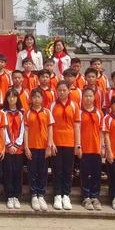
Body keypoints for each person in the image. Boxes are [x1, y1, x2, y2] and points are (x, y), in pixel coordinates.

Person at [50, 81, 81, 211]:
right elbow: (50, 125)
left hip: (69, 141)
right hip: (56, 142)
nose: (62, 92)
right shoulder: (52, 105)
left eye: (64, 90)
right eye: (60, 90)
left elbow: (77, 125)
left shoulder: (74, 106)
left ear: (69, 90)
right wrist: (51, 142)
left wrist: (77, 144)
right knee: (57, 170)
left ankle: (66, 195)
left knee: (68, 170)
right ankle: (57, 194)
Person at [24, 88, 55, 212]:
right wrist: (26, 147)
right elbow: (25, 130)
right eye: (34, 97)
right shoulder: (27, 113)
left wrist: (49, 145)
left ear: (43, 99)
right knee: (32, 171)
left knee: (43, 171)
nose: (36, 99)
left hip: (43, 147)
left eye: (39, 97)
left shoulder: (47, 112)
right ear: (31, 99)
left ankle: (41, 194)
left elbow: (50, 129)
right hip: (32, 147)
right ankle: (33, 195)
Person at [79, 87, 104, 210]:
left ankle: (95, 196)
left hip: (96, 148)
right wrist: (78, 146)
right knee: (85, 173)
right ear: (82, 98)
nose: (88, 98)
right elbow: (77, 130)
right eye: (86, 96)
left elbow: (101, 130)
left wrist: (102, 146)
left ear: (94, 98)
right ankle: (86, 196)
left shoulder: (99, 112)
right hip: (84, 148)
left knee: (96, 173)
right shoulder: (79, 112)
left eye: (90, 96)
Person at [2, 88, 25, 209]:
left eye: (14, 97)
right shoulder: (3, 112)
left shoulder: (21, 113)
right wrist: (8, 144)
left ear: (17, 99)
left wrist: (16, 144)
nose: (12, 99)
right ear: (6, 99)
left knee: (17, 171)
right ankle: (9, 196)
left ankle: (16, 195)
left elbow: (22, 130)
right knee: (8, 171)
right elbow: (3, 129)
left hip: (18, 148)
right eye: (9, 97)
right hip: (6, 148)